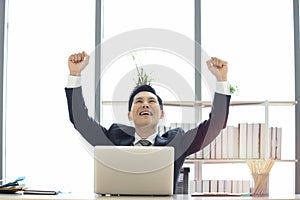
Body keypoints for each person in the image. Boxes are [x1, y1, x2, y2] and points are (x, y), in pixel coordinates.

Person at [65, 51, 231, 194]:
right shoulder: (113, 137)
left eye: (151, 101)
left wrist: (221, 79)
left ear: (162, 114)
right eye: (139, 101)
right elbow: (80, 120)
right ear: (129, 115)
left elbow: (215, 124)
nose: (145, 104)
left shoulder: (177, 142)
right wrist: (75, 75)